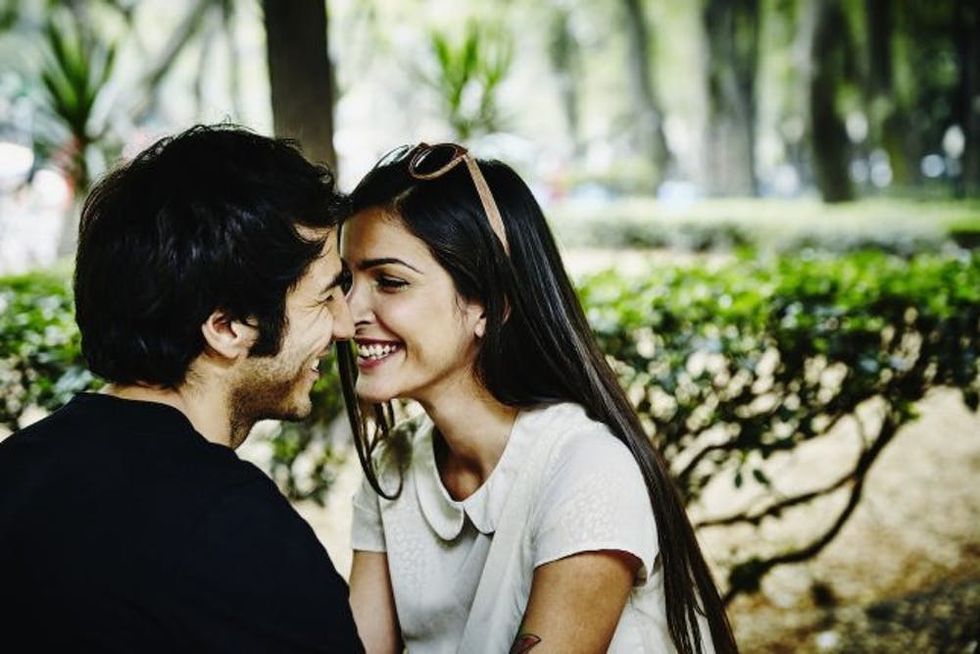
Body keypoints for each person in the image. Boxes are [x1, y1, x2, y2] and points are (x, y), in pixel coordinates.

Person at [339, 143, 739, 654]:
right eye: (347, 282)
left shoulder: (585, 469)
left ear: (490, 302)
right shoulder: (393, 463)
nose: (348, 316)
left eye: (390, 282)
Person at [0, 125, 363, 652]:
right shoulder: (236, 531)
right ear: (226, 326)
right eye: (326, 297)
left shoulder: (14, 474)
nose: (347, 326)